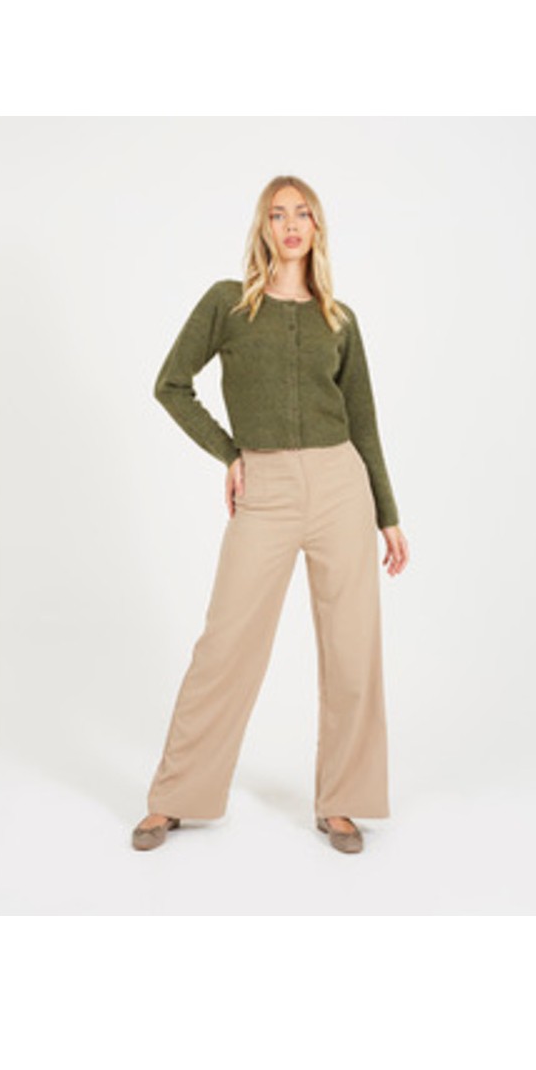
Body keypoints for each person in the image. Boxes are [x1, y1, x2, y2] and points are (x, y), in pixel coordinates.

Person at [133, 175, 409, 854]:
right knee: (226, 644)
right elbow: (171, 385)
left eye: (303, 214)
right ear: (263, 227)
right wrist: (229, 453)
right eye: (278, 214)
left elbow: (365, 423)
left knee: (353, 649)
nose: (291, 225)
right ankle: (175, 797)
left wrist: (387, 514)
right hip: (267, 488)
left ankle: (342, 802)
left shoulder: (339, 320)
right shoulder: (228, 304)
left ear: (317, 229)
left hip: (341, 484)